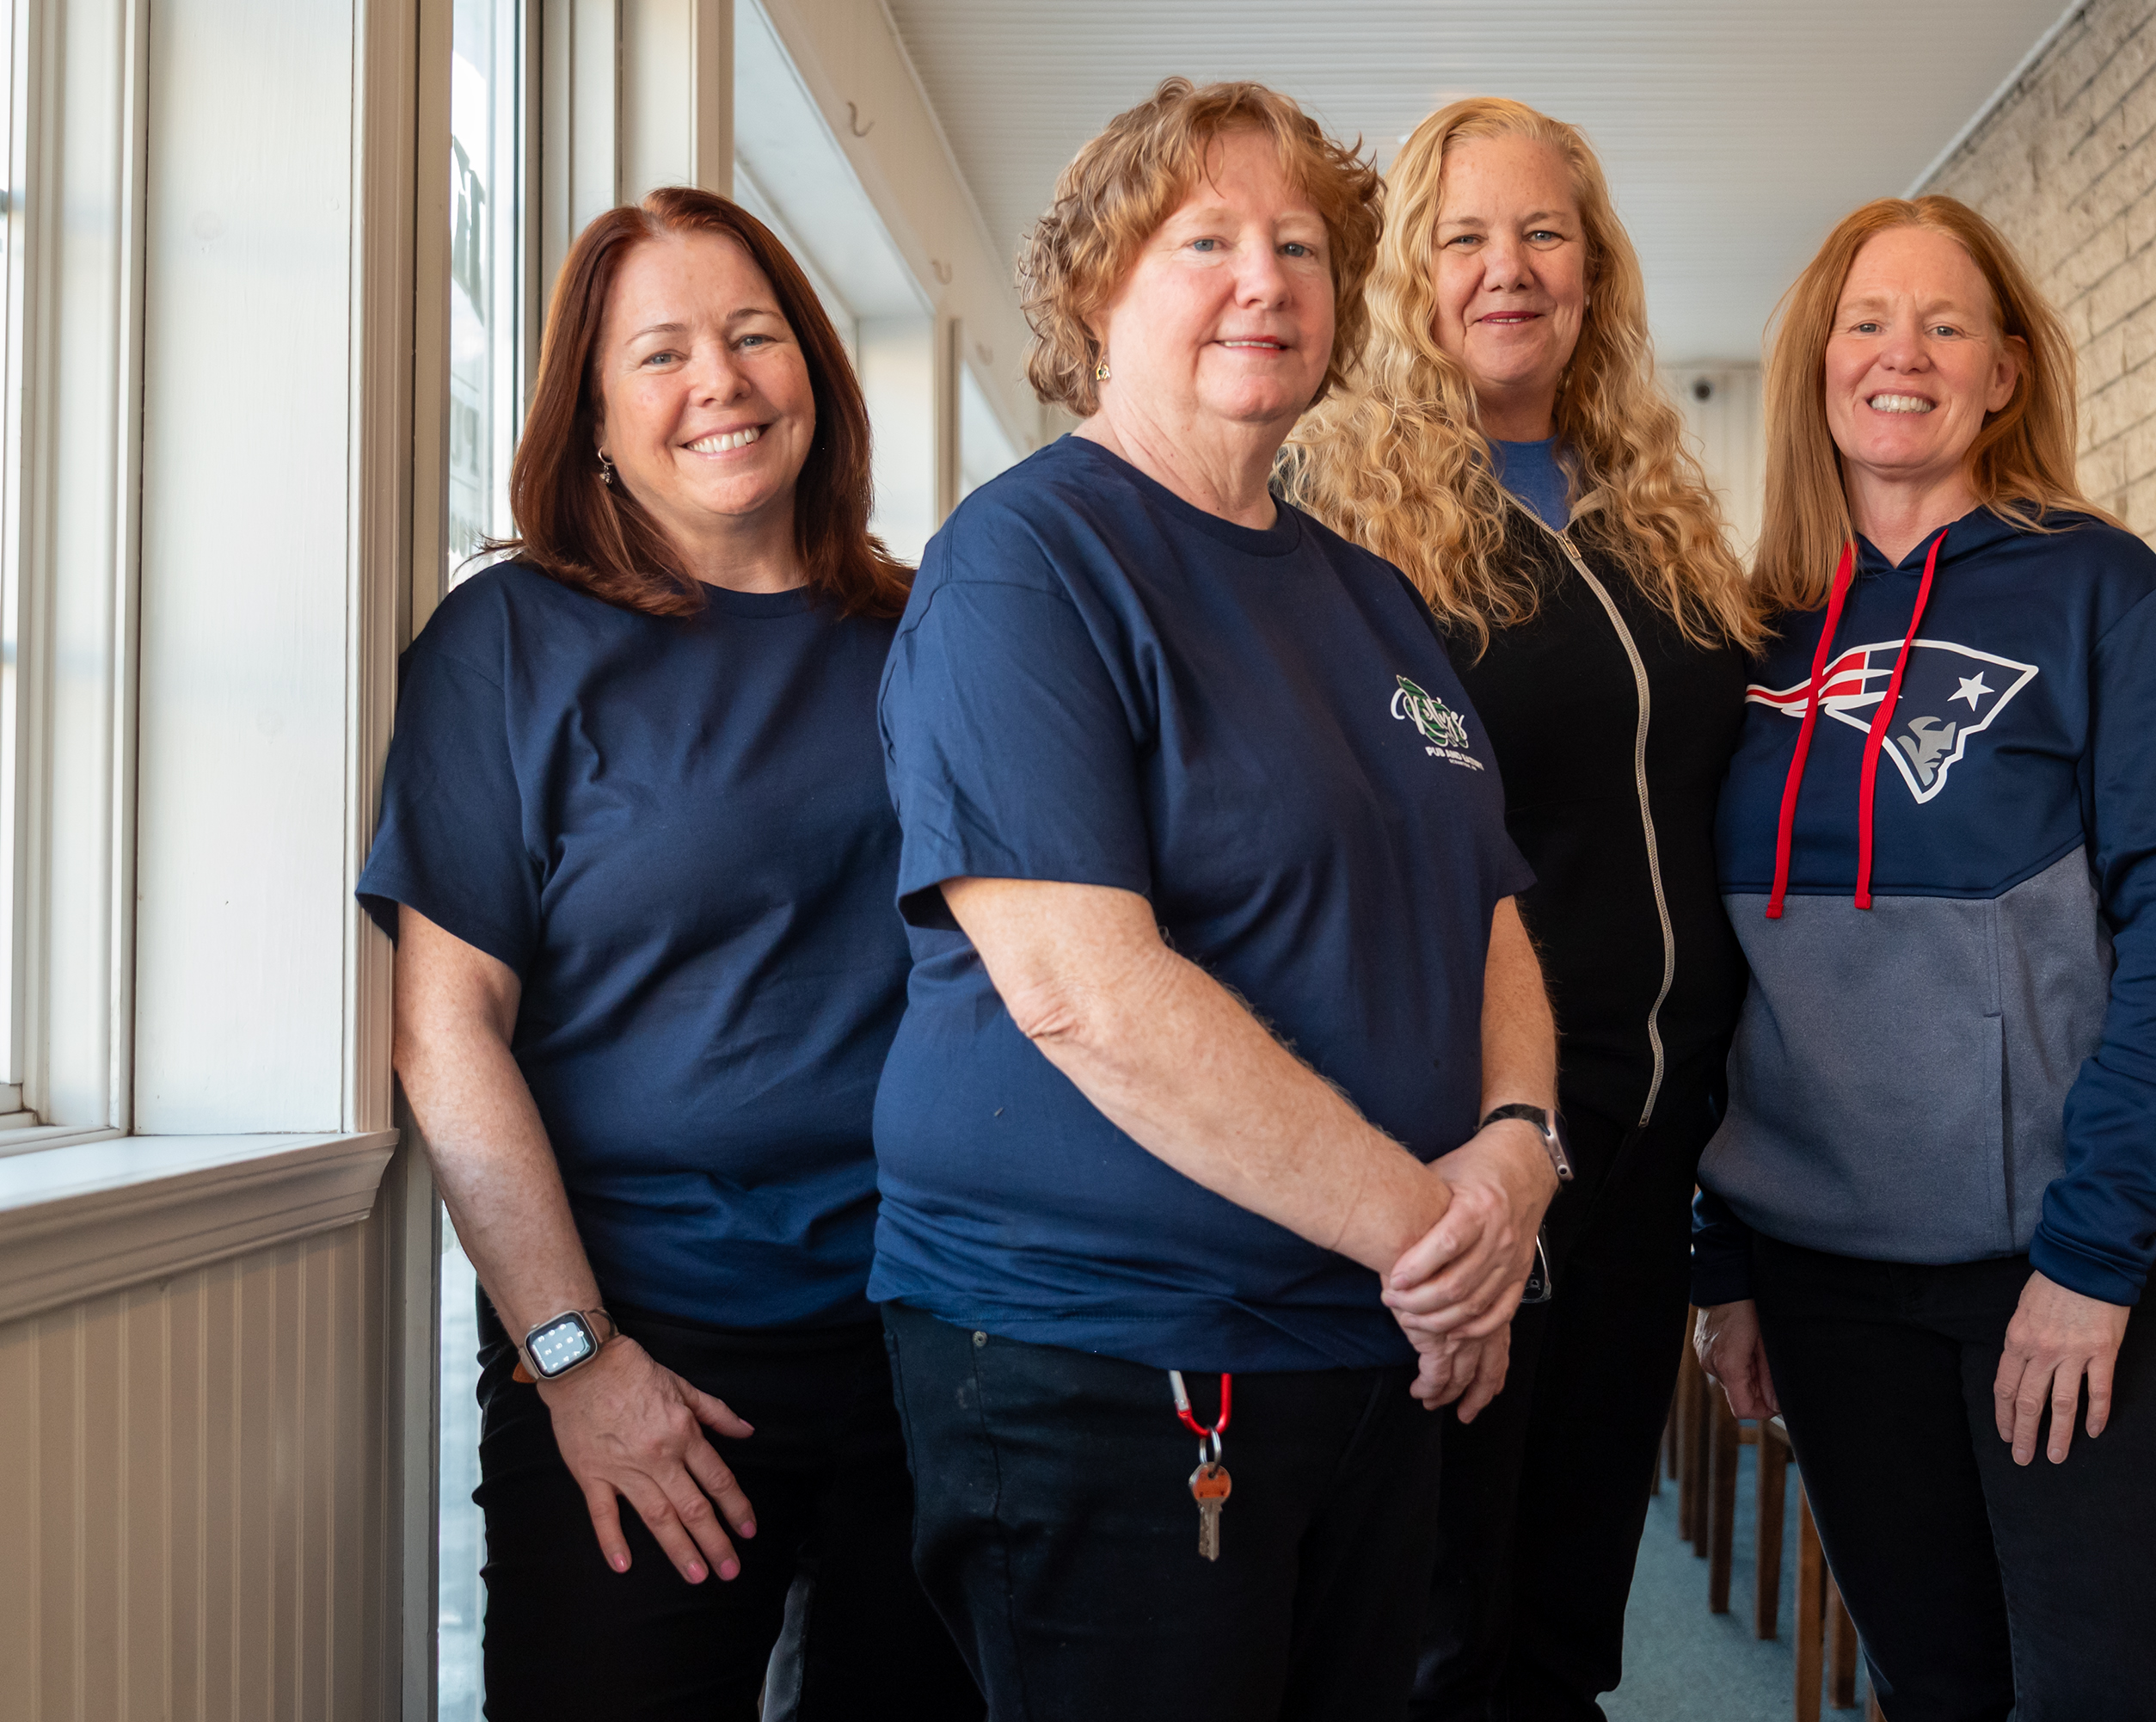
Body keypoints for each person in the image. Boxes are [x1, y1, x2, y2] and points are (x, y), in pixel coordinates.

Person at [870, 77, 1563, 1722]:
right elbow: (1081, 993)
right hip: (1108, 1357)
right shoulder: (1025, 565)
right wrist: (1435, 1239)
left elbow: (1492, 912)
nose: (1267, 280)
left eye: (1303, 246)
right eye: (1207, 242)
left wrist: (1522, 1142)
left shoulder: (1372, 598)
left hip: (1362, 1345)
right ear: (1100, 291)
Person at [359, 187, 980, 1720]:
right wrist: (577, 1359)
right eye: (662, 353)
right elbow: (447, 1032)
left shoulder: (935, 633)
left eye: (755, 334)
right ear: (590, 421)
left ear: (816, 377)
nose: (721, 379)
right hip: (656, 1347)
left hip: (938, 1333)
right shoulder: (505, 645)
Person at [1689, 194, 2156, 1719]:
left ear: (2006, 371)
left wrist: (2093, 1257)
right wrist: (1727, 1256)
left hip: (2061, 1264)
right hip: (1828, 1281)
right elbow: (1713, 973)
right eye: (1867, 321)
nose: (1904, 354)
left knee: (2098, 1695)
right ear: (1820, 364)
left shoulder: (2103, 593)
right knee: (1929, 1684)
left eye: (1947, 324)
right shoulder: (1757, 634)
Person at [1286, 95, 1761, 1722]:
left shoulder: (1659, 515)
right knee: (1442, 1617)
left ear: (1595, 268)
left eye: (1544, 232)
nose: (1509, 268)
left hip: (1649, 1143)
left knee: (1570, 1615)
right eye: (1464, 236)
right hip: (1470, 1147)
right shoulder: (1347, 525)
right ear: (1408, 277)